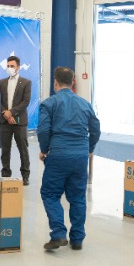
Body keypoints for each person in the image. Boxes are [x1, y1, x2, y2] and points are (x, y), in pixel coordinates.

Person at [38, 67, 101, 252]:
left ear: (55, 82)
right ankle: (77, 239)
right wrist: (89, 149)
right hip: (80, 157)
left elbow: (43, 130)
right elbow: (96, 129)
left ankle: (58, 233)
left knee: (50, 193)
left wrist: (44, 150)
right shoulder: (85, 104)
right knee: (78, 197)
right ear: (73, 82)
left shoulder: (49, 103)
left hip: (58, 155)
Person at [0, 55, 32, 185]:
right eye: (8, 66)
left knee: (23, 149)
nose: (9, 68)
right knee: (5, 150)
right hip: (4, 122)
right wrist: (6, 114)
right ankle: (6, 174)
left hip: (20, 122)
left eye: (12, 66)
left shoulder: (26, 82)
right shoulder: (1, 82)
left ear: (18, 67)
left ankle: (25, 175)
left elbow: (26, 102)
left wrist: (11, 112)